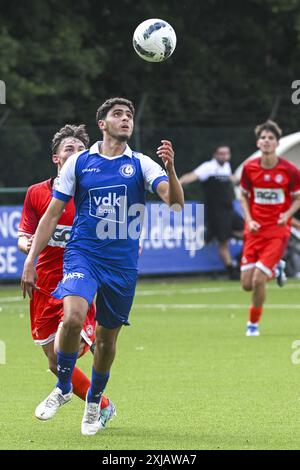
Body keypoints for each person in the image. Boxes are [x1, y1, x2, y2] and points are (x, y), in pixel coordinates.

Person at [21, 97, 184, 435]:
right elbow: (51, 215)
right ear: (103, 123)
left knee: (107, 343)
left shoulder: (141, 164)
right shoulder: (79, 163)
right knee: (72, 317)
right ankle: (64, 387)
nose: (125, 120)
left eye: (129, 115)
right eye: (118, 114)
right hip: (84, 255)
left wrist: (169, 168)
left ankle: (94, 401)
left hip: (122, 265)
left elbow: (175, 203)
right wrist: (30, 259)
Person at [18, 124, 114, 426]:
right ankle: (105, 406)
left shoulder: (93, 193)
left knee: (62, 348)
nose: (75, 154)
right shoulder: (36, 193)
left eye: (80, 150)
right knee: (53, 361)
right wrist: (28, 247)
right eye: (68, 149)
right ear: (56, 158)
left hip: (78, 279)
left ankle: (74, 391)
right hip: (43, 284)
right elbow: (24, 235)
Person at [240, 120, 300, 336]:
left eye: (271, 138)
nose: (266, 141)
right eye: (263, 138)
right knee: (246, 284)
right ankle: (276, 269)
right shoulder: (249, 168)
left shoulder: (289, 171)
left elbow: (298, 198)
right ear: (258, 142)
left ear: (277, 143)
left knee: (258, 280)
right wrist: (249, 219)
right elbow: (243, 196)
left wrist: (287, 214)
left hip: (277, 232)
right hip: (255, 231)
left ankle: (252, 324)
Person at [179, 145, 243, 279]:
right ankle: (231, 271)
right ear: (215, 154)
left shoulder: (226, 167)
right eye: (221, 153)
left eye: (226, 153)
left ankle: (239, 257)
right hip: (217, 212)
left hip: (230, 209)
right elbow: (192, 175)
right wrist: (177, 183)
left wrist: (236, 180)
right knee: (223, 242)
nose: (224, 156)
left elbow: (230, 177)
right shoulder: (208, 167)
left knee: (249, 232)